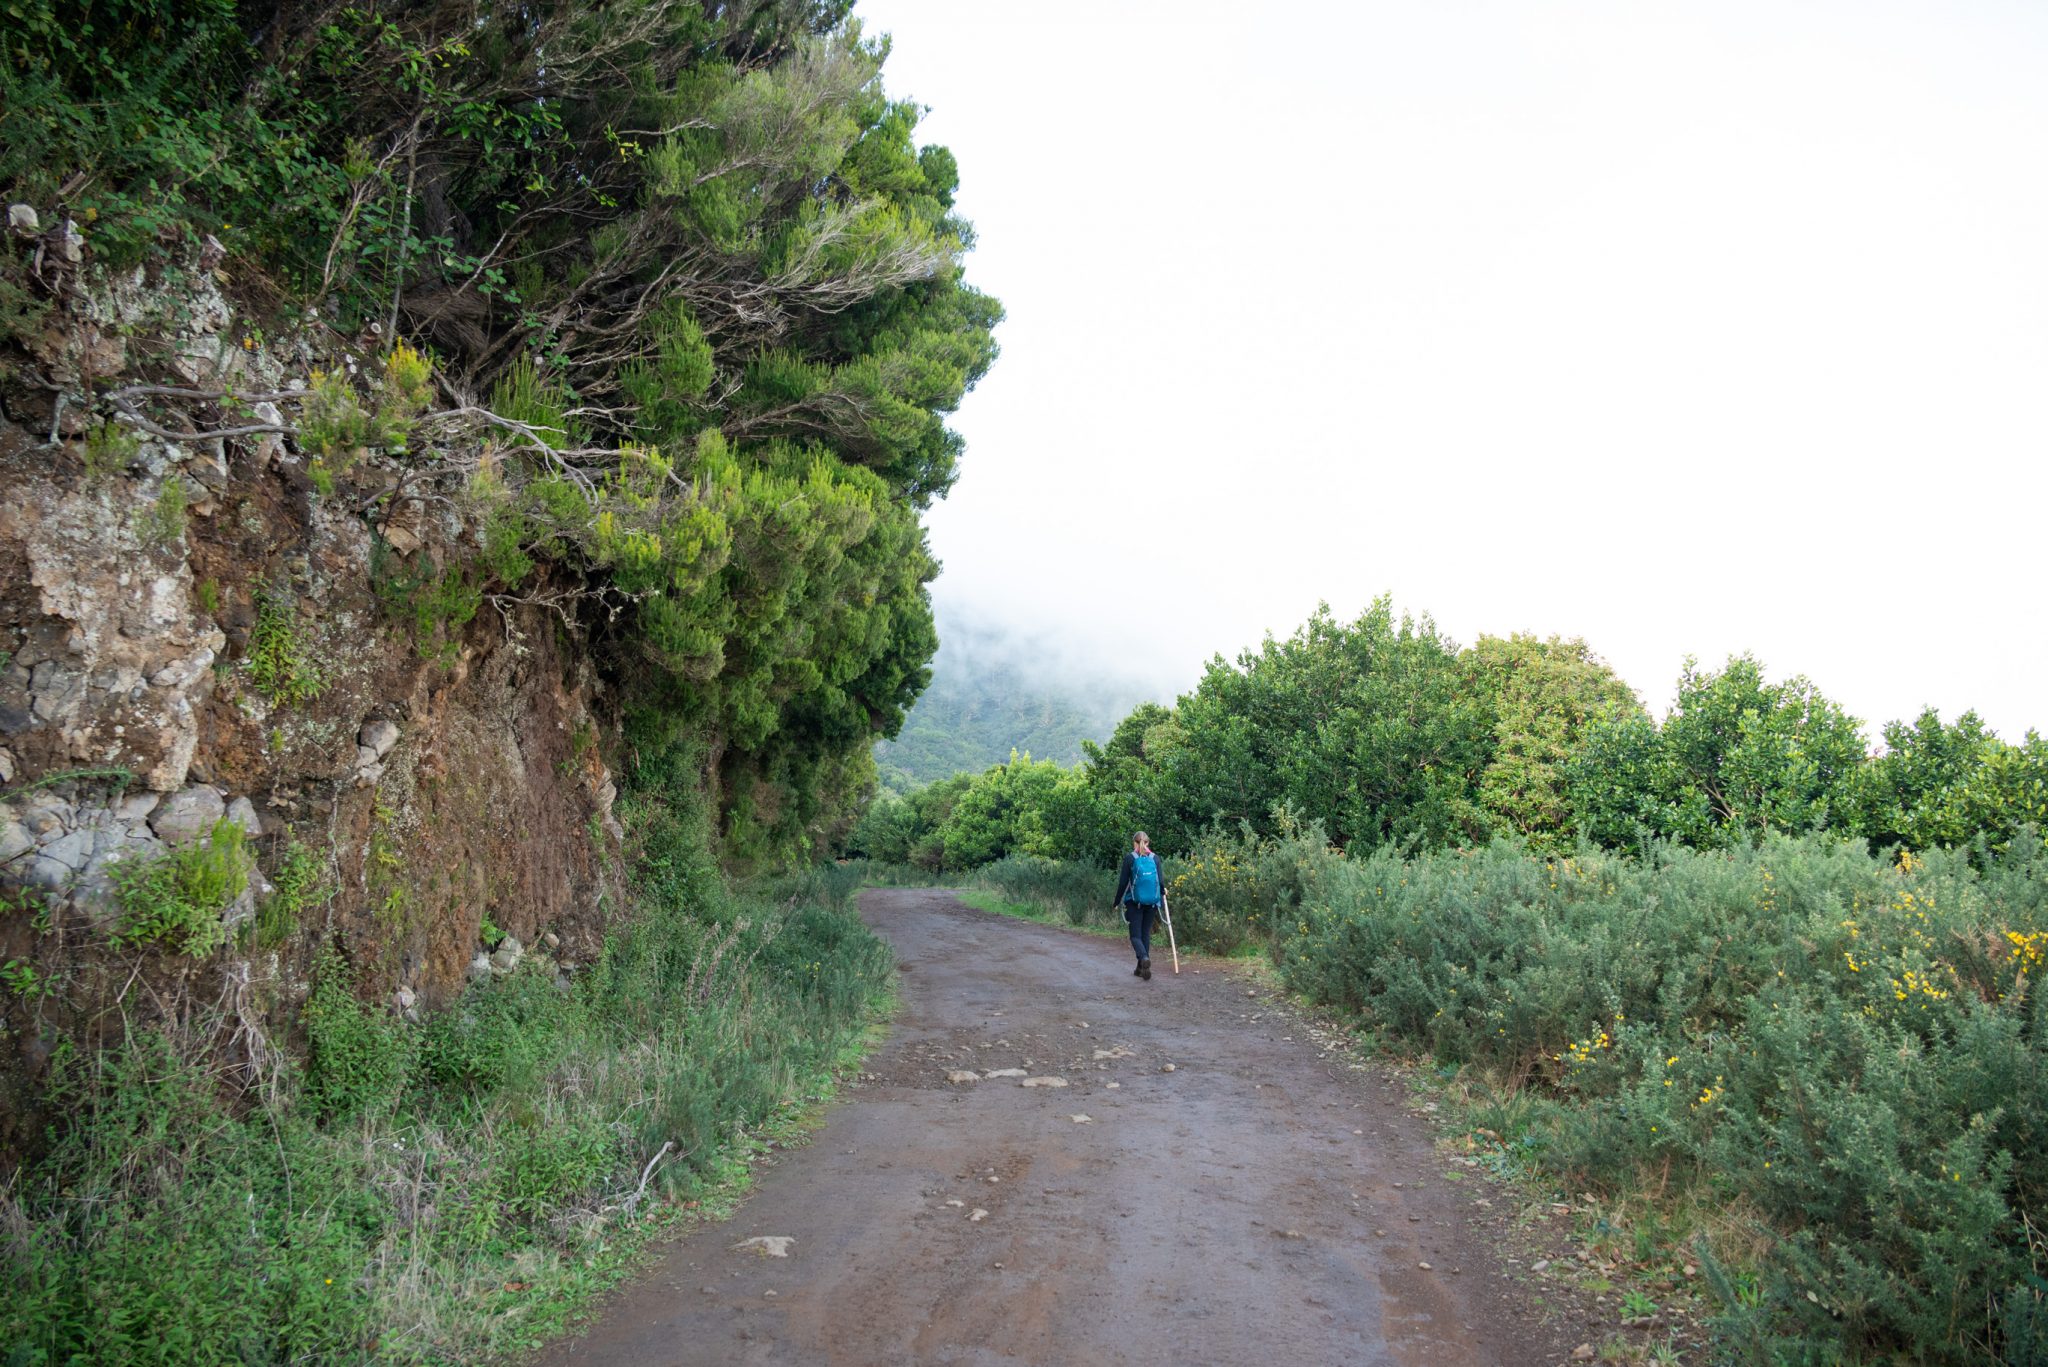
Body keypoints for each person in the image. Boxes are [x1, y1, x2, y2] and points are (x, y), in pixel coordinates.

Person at [1111, 831, 1164, 980]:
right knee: (1145, 934)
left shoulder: (1130, 858)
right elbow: (1160, 882)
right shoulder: (1155, 858)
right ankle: (1141, 968)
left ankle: (1144, 958)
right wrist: (1162, 893)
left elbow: (1123, 883)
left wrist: (1116, 902)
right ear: (1148, 843)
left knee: (1135, 936)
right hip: (1152, 903)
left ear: (1134, 842)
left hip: (1135, 903)